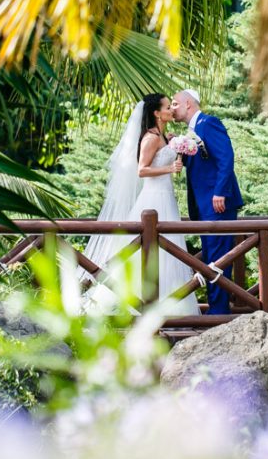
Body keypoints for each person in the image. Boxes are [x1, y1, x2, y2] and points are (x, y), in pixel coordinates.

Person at [82, 94, 199, 316]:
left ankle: (172, 309)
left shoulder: (164, 137)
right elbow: (142, 170)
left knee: (171, 251)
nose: (171, 111)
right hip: (153, 199)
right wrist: (169, 169)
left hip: (167, 198)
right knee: (146, 249)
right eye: (167, 107)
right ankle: (134, 307)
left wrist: (176, 146)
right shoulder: (150, 138)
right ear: (156, 113)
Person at [171, 89, 244, 315]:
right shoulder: (191, 131)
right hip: (204, 206)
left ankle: (219, 313)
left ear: (188, 104)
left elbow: (225, 156)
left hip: (217, 204)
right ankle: (216, 309)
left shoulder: (208, 123)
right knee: (211, 257)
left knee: (218, 259)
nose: (173, 108)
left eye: (175, 104)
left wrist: (220, 192)